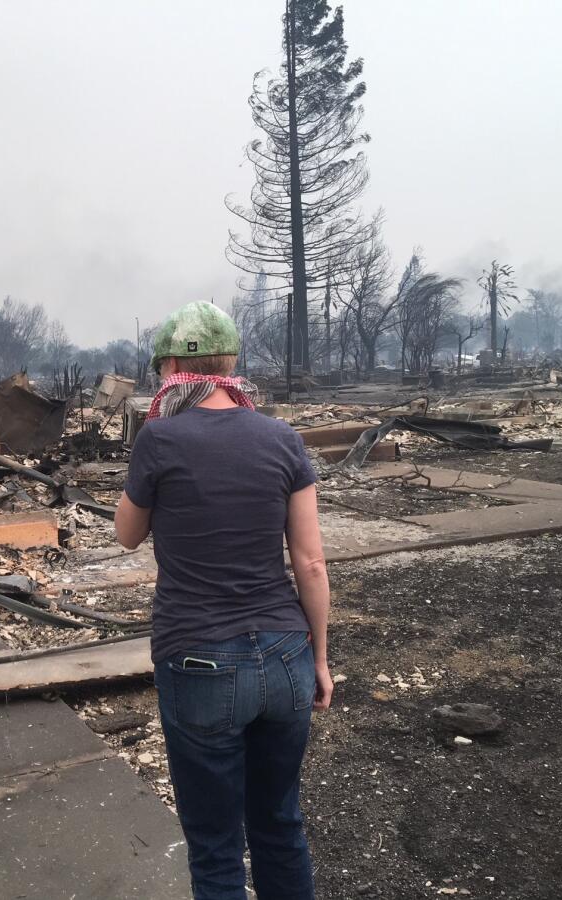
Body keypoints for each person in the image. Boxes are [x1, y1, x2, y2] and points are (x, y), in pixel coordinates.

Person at [114, 301, 333, 900]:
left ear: (170, 372)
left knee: (215, 849)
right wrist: (318, 659)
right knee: (280, 827)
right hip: (286, 655)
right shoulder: (281, 437)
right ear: (232, 364)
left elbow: (126, 534)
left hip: (199, 661)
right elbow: (310, 563)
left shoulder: (159, 439)